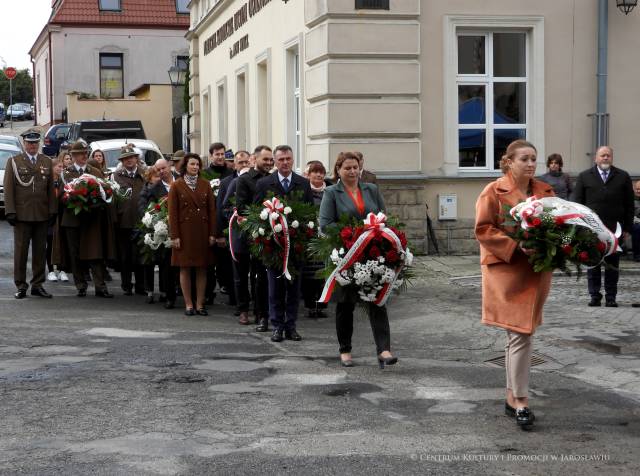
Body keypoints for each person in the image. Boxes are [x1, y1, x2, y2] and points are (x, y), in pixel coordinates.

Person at [475, 140, 555, 431]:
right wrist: (518, 246)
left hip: (537, 271)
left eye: (534, 158)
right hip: (507, 271)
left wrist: (566, 246)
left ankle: (512, 397)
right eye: (525, 158)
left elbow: (559, 228)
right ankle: (520, 400)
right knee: (521, 333)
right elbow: (483, 229)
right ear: (508, 161)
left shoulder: (545, 191)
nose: (531, 163)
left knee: (521, 335)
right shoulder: (493, 191)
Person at [319, 151, 395, 369]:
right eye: (347, 168)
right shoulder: (332, 193)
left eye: (355, 167)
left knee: (377, 300)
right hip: (346, 256)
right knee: (346, 304)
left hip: (372, 253)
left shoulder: (371, 189)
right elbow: (326, 224)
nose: (352, 171)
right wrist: (355, 232)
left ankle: (384, 350)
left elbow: (383, 216)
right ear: (338, 171)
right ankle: (345, 350)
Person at [254, 145, 314, 342]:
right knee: (275, 288)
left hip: (295, 246)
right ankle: (277, 325)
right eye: (281, 160)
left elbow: (309, 213)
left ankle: (291, 326)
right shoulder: (264, 184)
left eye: (288, 158)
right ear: (274, 161)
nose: (285, 162)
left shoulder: (303, 183)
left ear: (293, 159)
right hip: (273, 247)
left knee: (294, 289)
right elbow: (256, 214)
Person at [572, 145, 634, 307]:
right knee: (593, 262)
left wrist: (627, 228)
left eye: (608, 155)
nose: (605, 158)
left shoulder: (623, 176)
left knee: (613, 264)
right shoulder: (585, 176)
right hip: (591, 230)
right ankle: (595, 295)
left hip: (616, 229)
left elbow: (629, 205)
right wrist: (579, 227)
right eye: (602, 155)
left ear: (612, 158)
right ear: (596, 158)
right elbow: (577, 203)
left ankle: (611, 296)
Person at [3, 128, 58, 299]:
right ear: (24, 144)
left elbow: (50, 189)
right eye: (29, 142)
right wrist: (10, 211)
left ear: (39, 143)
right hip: (22, 215)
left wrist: (52, 210)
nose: (32, 145)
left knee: (40, 252)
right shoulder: (14, 161)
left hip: (42, 214)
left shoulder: (46, 162)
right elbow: (9, 189)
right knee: (21, 252)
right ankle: (21, 285)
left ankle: (37, 284)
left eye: (35, 142)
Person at [59, 141, 116, 297]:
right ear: (73, 156)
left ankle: (100, 286)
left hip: (92, 219)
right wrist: (73, 198)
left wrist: (94, 201)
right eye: (80, 153)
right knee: (75, 253)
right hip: (73, 219)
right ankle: (80, 285)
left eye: (85, 153)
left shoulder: (95, 172)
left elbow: (105, 192)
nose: (84, 156)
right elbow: (60, 197)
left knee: (95, 252)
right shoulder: (66, 173)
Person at [168, 153, 217, 316]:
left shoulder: (205, 184)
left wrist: (212, 233)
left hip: (202, 231)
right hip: (184, 232)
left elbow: (211, 211)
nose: (195, 167)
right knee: (185, 268)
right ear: (185, 166)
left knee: (202, 268)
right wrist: (174, 236)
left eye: (197, 165)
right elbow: (172, 213)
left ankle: (200, 304)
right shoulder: (176, 185)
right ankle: (189, 304)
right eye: (192, 164)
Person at [234, 145, 274, 331]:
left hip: (270, 234)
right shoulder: (244, 180)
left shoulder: (273, 179)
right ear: (254, 159)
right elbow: (242, 208)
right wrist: (261, 218)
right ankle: (244, 309)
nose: (269, 162)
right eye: (265, 159)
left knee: (262, 276)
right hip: (250, 233)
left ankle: (262, 312)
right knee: (246, 274)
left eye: (270, 159)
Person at [213, 150, 250, 315]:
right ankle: (237, 302)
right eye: (240, 162)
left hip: (253, 233)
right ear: (234, 165)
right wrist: (220, 233)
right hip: (233, 232)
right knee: (236, 271)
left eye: (246, 162)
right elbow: (221, 207)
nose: (244, 165)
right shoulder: (228, 182)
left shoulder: (257, 180)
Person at [139, 159, 177, 309]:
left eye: (164, 168)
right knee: (167, 265)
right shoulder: (154, 189)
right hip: (166, 231)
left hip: (184, 229)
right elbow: (150, 209)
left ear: (169, 167)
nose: (161, 171)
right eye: (158, 169)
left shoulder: (181, 183)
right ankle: (169, 296)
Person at [113, 145, 146, 297]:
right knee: (125, 255)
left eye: (131, 157)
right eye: (126, 159)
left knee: (140, 255)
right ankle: (126, 285)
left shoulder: (144, 175)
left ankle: (141, 285)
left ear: (137, 159)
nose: (129, 161)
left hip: (141, 221)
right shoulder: (117, 176)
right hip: (123, 221)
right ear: (122, 161)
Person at [302, 160, 329, 318]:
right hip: (310, 236)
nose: (318, 175)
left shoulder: (330, 191)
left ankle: (322, 304)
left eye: (321, 172)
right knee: (309, 273)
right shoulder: (305, 191)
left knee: (324, 271)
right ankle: (311, 305)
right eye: (315, 172)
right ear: (309, 174)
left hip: (326, 237)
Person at [46, 158, 69, 282]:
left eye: (62, 167)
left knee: (62, 243)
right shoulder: (48, 182)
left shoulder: (63, 181)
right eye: (58, 167)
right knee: (49, 243)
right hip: (50, 218)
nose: (61, 169)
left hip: (61, 216)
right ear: (52, 167)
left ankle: (62, 270)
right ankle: (50, 270)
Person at [631, 180, 640, 262]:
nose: (638, 191)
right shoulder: (630, 200)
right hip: (634, 222)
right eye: (637, 189)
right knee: (637, 228)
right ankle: (637, 255)